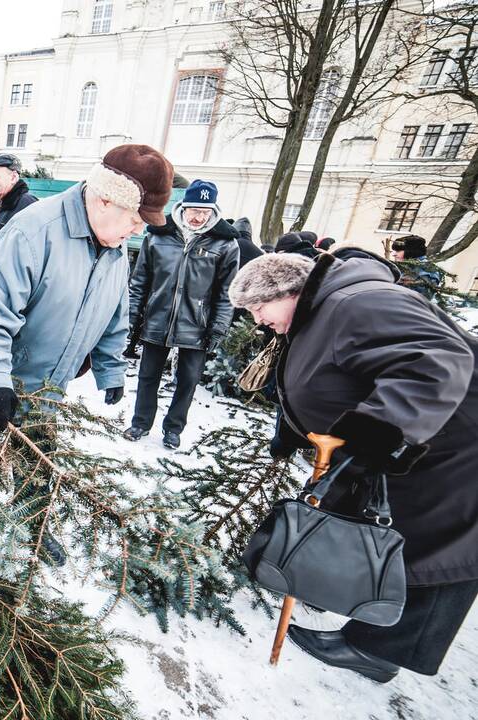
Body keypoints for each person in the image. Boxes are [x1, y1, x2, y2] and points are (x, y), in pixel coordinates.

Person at [229, 251, 478, 684]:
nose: (256, 320)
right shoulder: (320, 312)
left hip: (454, 450)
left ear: (288, 293)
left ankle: (376, 650)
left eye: (258, 307)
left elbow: (434, 360)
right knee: (383, 528)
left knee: (439, 549)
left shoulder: (358, 303)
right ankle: (349, 596)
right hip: (426, 446)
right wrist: (293, 428)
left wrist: (379, 431)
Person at [0, 144, 175, 565]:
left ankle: (35, 529)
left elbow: (115, 312)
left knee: (38, 467)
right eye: (134, 219)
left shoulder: (112, 248)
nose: (137, 230)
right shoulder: (34, 232)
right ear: (106, 199)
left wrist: (110, 369)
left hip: (48, 390)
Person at [123, 179, 240, 449]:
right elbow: (139, 281)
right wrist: (131, 317)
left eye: (205, 212)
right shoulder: (158, 234)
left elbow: (226, 293)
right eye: (194, 210)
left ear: (213, 212)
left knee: (187, 381)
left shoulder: (225, 244)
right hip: (158, 318)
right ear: (183, 207)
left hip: (197, 324)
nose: (199, 217)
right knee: (147, 375)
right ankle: (140, 422)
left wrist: (218, 327)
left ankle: (173, 428)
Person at [389, 234, 444, 299]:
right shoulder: (404, 266)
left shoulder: (427, 269)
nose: (394, 254)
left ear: (411, 251)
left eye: (398, 251)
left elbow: (422, 297)